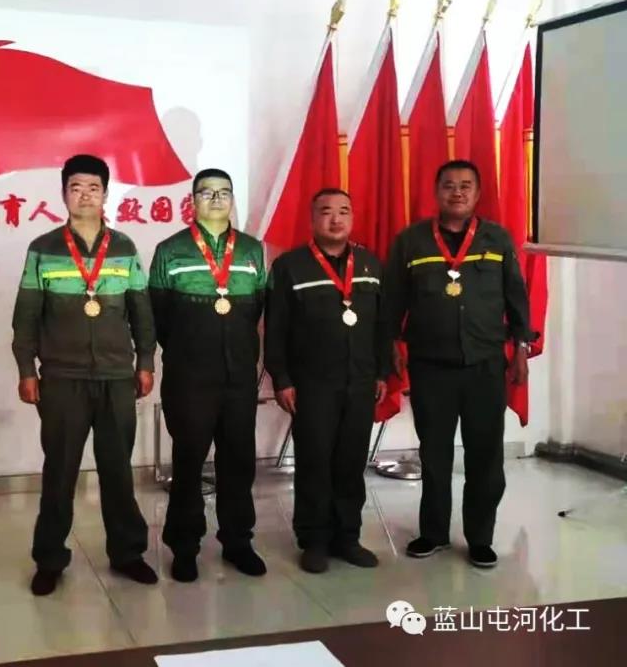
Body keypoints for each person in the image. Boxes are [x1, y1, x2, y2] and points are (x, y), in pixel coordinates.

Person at [12, 154, 157, 596]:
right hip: (62, 378)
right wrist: (26, 368)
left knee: (117, 471)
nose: (85, 195)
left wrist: (145, 361)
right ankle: (49, 559)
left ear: (105, 194)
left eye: (94, 188)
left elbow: (141, 311)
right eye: (76, 188)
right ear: (64, 194)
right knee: (59, 473)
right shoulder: (43, 248)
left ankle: (128, 553)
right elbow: (26, 316)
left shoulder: (124, 247)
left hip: (116, 377)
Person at [383, 159, 535, 569]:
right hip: (431, 365)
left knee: (486, 456)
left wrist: (521, 350)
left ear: (477, 193)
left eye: (466, 185)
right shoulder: (411, 242)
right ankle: (433, 533)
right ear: (437, 192)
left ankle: (480, 538)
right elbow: (393, 299)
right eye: (449, 185)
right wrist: (392, 343)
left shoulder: (497, 239)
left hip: (485, 365)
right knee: (434, 455)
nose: (457, 192)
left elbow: (517, 298)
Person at [148, 168, 268, 582]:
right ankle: (184, 547)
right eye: (207, 192)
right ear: (192, 200)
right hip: (189, 377)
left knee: (239, 462)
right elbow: (159, 317)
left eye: (224, 192)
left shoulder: (252, 250)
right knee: (188, 462)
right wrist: (191, 349)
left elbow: (256, 308)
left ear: (233, 198)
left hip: (238, 376)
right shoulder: (170, 251)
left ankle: (238, 542)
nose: (216, 199)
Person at [265, 188, 390, 573]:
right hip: (312, 383)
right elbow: (276, 329)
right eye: (326, 212)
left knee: (351, 462)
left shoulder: (370, 264)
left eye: (343, 211)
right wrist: (282, 378)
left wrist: (382, 371)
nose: (335, 219)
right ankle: (314, 541)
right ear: (312, 218)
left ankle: (347, 538)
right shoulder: (290, 266)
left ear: (352, 217)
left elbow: (382, 325)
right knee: (314, 462)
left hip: (360, 381)